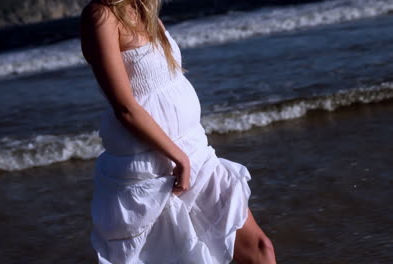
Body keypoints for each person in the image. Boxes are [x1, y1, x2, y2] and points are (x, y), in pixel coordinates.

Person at [79, 0, 276, 263]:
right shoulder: (101, 15)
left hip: (194, 149)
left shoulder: (144, 9)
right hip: (151, 164)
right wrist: (178, 157)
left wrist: (185, 154)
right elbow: (124, 107)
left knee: (260, 249)